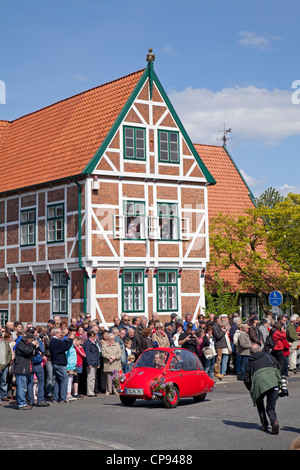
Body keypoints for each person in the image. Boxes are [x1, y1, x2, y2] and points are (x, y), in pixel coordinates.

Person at [243, 343, 282, 434]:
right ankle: (274, 421)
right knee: (270, 408)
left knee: (260, 404)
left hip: (259, 385)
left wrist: (252, 389)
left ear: (250, 352)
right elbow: (278, 368)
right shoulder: (269, 357)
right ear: (260, 350)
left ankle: (264, 424)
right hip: (273, 383)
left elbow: (246, 379)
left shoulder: (250, 362)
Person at [13, 331, 39, 410]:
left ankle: (21, 402)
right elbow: (26, 351)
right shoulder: (21, 344)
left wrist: (35, 348)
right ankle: (21, 404)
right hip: (21, 368)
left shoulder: (28, 345)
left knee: (24, 386)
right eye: (31, 340)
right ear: (28, 339)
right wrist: (32, 345)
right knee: (21, 387)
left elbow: (32, 354)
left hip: (27, 368)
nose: (32, 342)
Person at [49, 327, 74, 403]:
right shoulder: (55, 341)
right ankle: (62, 397)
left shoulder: (54, 341)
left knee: (57, 380)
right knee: (64, 379)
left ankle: (56, 398)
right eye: (60, 333)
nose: (61, 334)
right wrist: (71, 339)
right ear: (55, 333)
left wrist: (67, 340)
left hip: (56, 363)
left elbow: (62, 345)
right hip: (59, 363)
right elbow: (65, 347)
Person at [27, 327, 49, 407]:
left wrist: (38, 346)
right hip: (31, 363)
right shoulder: (27, 341)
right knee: (31, 382)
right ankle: (34, 400)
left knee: (38, 381)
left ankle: (37, 400)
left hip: (36, 363)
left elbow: (43, 351)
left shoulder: (37, 341)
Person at [83, 329, 101, 397]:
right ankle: (90, 392)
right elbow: (87, 354)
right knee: (90, 378)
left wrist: (98, 363)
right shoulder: (88, 343)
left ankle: (92, 391)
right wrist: (89, 363)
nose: (94, 337)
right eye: (93, 336)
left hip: (95, 362)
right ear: (89, 336)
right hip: (91, 362)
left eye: (95, 336)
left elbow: (96, 354)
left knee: (93, 377)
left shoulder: (94, 343)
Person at [212, 315, 227, 380]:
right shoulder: (214, 327)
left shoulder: (217, 326)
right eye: (219, 319)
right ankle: (216, 372)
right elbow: (218, 335)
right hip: (218, 345)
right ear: (217, 320)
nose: (220, 320)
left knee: (219, 359)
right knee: (218, 359)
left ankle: (217, 371)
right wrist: (223, 331)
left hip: (220, 345)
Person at [0, 330, 13, 404]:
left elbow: (9, 353)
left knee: (3, 381)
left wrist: (7, 361)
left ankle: (3, 395)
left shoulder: (5, 343)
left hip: (4, 364)